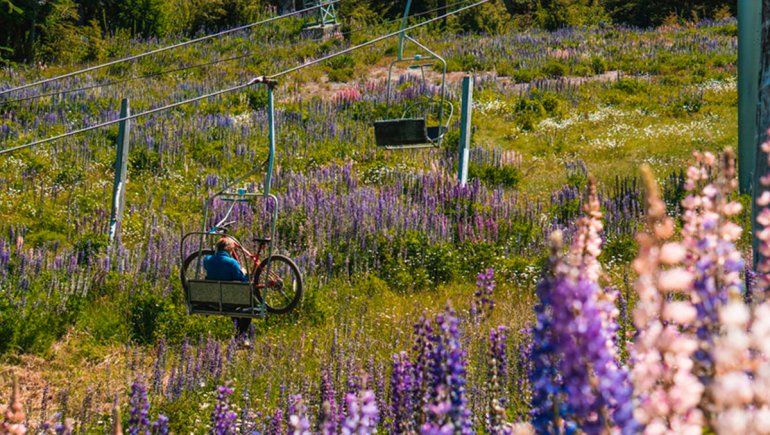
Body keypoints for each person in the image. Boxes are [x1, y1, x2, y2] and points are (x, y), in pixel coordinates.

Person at [203, 237, 252, 346]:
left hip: (213, 301)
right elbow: (243, 282)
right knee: (248, 307)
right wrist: (244, 273)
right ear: (227, 248)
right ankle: (241, 335)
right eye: (232, 247)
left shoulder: (207, 260)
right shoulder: (232, 263)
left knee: (230, 302)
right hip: (229, 301)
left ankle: (240, 336)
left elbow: (206, 262)